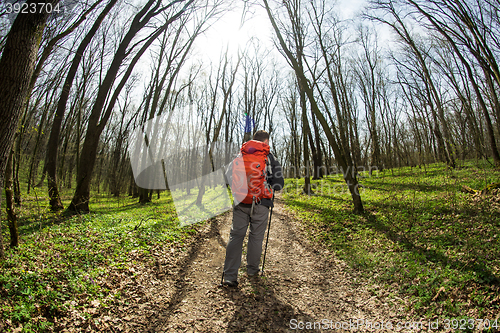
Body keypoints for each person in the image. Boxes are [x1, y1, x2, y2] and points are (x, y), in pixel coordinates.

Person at [223, 130, 284, 287]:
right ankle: (252, 270)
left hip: (241, 202)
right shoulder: (269, 157)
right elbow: (279, 184)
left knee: (236, 237)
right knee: (256, 237)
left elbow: (226, 177)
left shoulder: (240, 155)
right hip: (261, 204)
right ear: (266, 141)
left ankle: (230, 275)